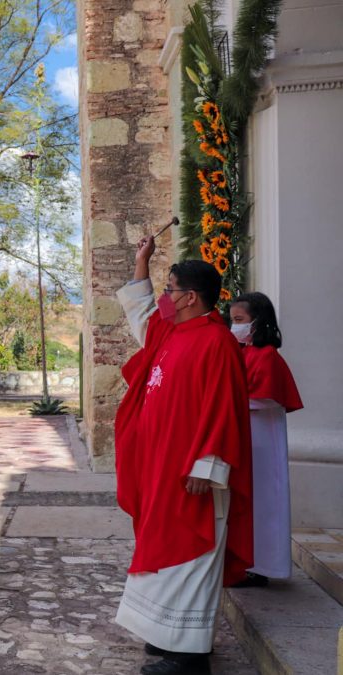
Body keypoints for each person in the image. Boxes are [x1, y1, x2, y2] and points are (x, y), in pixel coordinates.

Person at [113, 235, 253, 675]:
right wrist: (142, 262)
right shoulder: (173, 332)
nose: (165, 299)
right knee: (161, 550)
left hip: (193, 473)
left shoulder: (217, 342)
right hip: (162, 468)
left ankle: (190, 657)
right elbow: (142, 314)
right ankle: (167, 636)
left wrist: (208, 466)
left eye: (170, 290)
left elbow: (225, 408)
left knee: (190, 556)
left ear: (190, 297)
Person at [229, 292, 303, 587]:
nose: (234, 327)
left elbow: (269, 398)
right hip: (245, 436)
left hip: (263, 439)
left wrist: (233, 401)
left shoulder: (268, 356)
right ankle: (245, 561)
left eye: (239, 321)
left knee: (265, 502)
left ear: (258, 322)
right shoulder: (242, 352)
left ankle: (265, 566)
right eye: (232, 320)